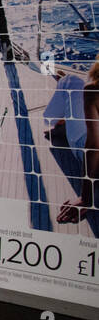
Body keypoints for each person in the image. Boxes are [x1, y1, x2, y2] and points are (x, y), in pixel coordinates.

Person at [55, 60, 99, 224]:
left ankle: (59, 123)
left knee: (70, 83)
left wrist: (86, 199)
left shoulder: (93, 91)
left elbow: (94, 147)